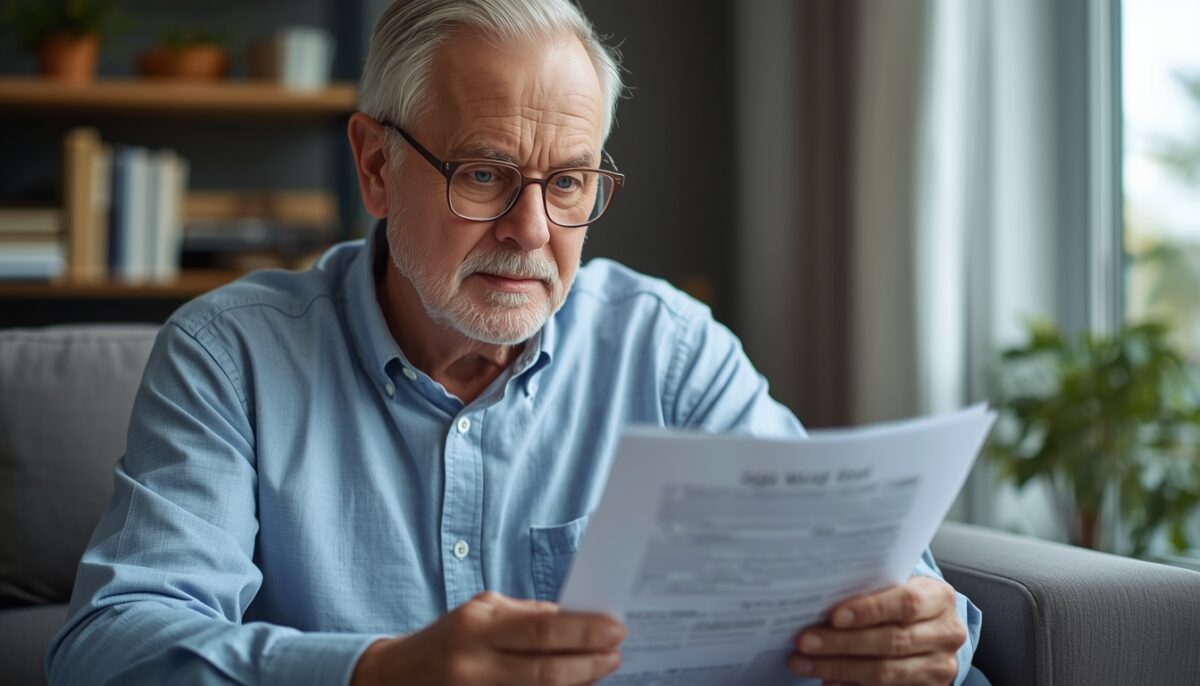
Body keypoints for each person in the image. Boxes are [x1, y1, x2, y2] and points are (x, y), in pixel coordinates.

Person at [47, 1, 982, 684]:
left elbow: (855, 557)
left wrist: (918, 624)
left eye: (569, 184)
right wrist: (378, 673)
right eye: (486, 173)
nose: (532, 230)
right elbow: (110, 647)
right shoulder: (231, 357)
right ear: (376, 166)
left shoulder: (666, 349)